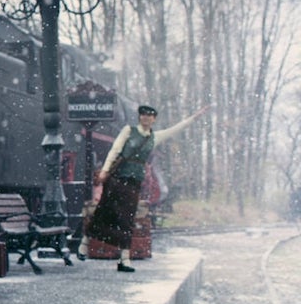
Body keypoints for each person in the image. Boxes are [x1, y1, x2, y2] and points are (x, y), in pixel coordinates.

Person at [78, 104, 208, 272]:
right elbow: (115, 149)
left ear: (154, 119)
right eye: (143, 115)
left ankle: (124, 259)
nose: (146, 118)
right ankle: (84, 245)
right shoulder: (128, 131)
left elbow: (176, 128)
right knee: (105, 210)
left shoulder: (155, 137)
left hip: (134, 182)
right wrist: (104, 170)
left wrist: (195, 117)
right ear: (140, 117)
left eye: (150, 115)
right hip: (117, 176)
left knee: (127, 218)